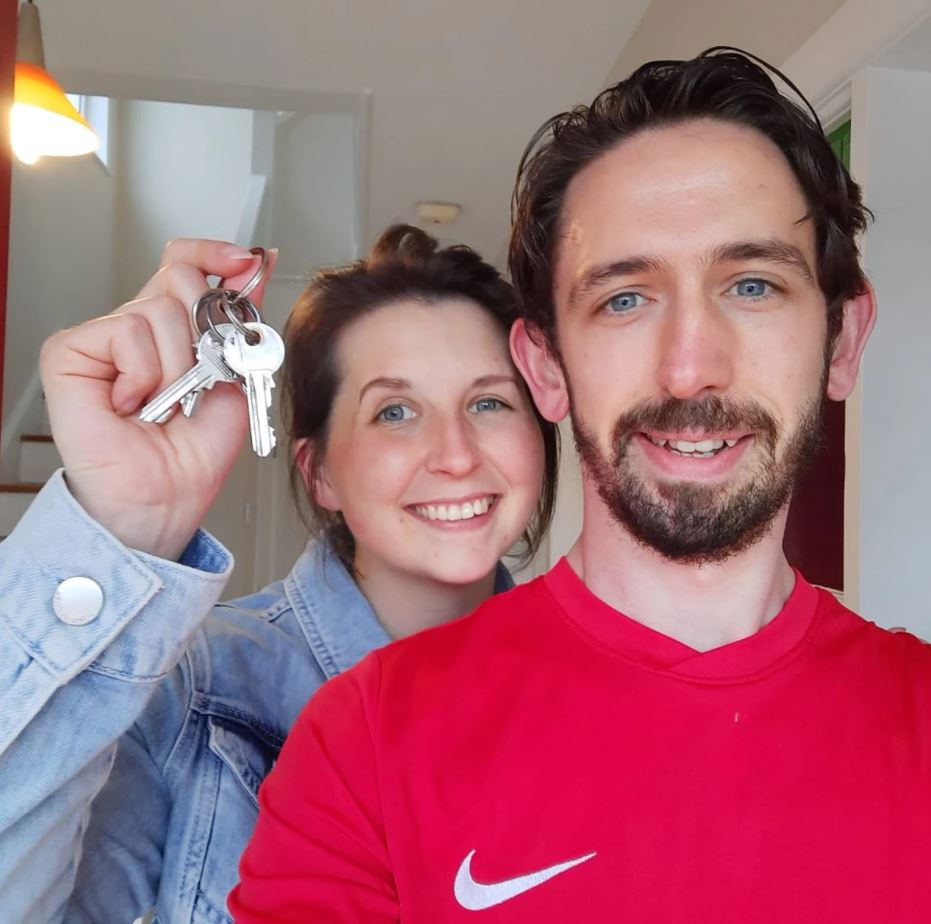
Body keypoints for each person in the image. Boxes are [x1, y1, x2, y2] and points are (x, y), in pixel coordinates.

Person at [230, 49, 931, 922]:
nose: (688, 370)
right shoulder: (363, 742)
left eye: (752, 285)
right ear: (546, 368)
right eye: (625, 299)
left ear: (841, 340)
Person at [0, 225, 558, 923]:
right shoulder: (196, 687)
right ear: (317, 470)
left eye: (488, 403)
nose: (453, 454)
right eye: (394, 411)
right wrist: (124, 526)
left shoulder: (600, 688)